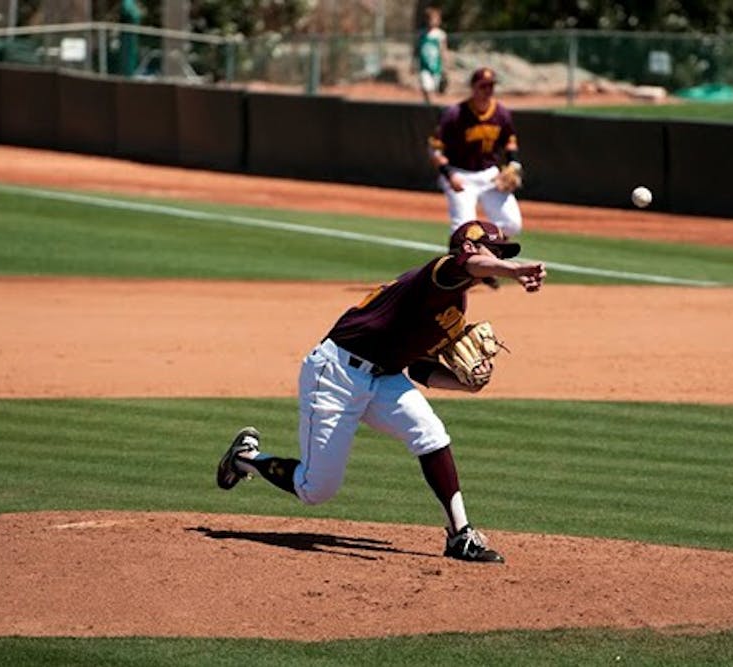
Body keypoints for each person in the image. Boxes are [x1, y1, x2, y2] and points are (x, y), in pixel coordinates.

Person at [216, 220, 546, 563]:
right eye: (498, 250)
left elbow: (419, 367)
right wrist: (514, 270)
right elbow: (468, 265)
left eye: (506, 254)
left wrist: (464, 384)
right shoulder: (440, 273)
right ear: (469, 248)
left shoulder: (456, 308)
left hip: (385, 378)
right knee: (316, 489)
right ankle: (244, 458)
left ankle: (460, 535)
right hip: (336, 373)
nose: (502, 256)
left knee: (431, 434)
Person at [428, 67, 524, 239]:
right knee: (463, 230)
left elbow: (509, 142)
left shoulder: (501, 114)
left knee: (512, 224)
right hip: (460, 174)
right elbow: (435, 149)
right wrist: (449, 175)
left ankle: (490, 253)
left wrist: (514, 164)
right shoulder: (455, 114)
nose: (488, 90)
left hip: (489, 176)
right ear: (473, 88)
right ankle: (458, 263)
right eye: (483, 86)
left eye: (491, 86)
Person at [415, 6, 449, 105]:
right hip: (424, 66)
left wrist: (445, 67)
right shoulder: (421, 34)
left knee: (434, 89)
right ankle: (429, 107)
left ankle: (431, 106)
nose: (431, 21)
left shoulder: (440, 35)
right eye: (429, 19)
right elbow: (417, 49)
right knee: (426, 87)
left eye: (434, 19)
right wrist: (413, 63)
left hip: (436, 67)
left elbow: (443, 50)